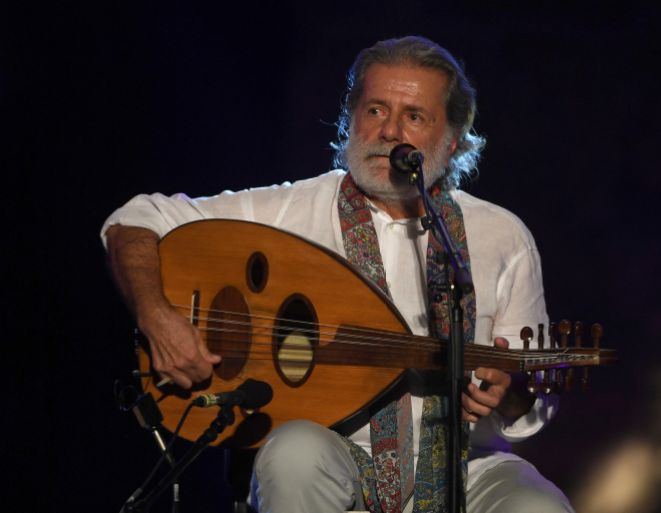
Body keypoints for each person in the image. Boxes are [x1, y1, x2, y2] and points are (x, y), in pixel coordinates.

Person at [102, 36, 573, 513]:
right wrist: (157, 316)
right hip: (333, 454)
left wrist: (510, 393)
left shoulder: (501, 234)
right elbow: (136, 219)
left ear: (451, 142)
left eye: (414, 116)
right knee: (293, 454)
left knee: (540, 507)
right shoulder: (289, 209)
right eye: (375, 110)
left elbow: (528, 402)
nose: (390, 131)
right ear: (351, 120)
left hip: (466, 463)